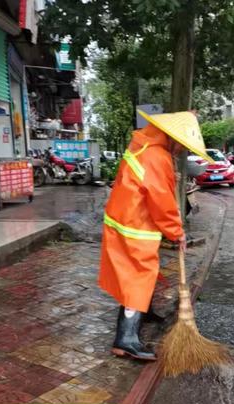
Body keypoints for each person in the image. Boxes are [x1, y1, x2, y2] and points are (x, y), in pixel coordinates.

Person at [98, 110, 212, 361]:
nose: (182, 150)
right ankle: (125, 339)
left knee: (139, 275)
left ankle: (143, 310)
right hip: (134, 227)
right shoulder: (157, 157)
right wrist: (176, 232)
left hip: (125, 220)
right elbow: (161, 201)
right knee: (137, 278)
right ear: (170, 138)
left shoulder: (144, 147)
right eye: (181, 144)